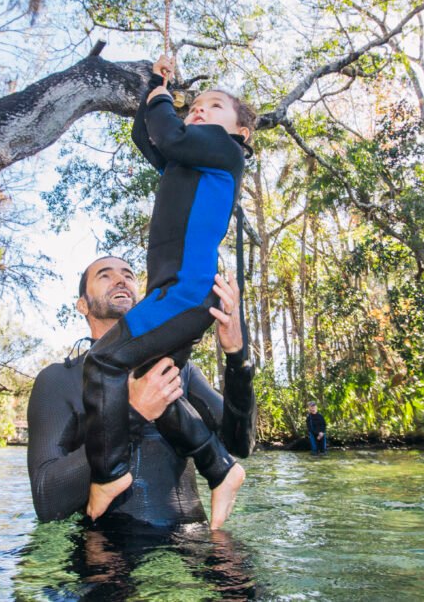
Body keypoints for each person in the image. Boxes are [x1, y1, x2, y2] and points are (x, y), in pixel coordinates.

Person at [82, 55, 257, 528]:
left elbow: (168, 133)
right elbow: (149, 135)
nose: (197, 110)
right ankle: (220, 469)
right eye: (193, 105)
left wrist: (164, 99)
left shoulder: (225, 151)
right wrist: (156, 86)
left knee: (101, 361)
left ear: (239, 132)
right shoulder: (190, 162)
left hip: (185, 292)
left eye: (212, 106)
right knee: (154, 377)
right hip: (179, 294)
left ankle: (110, 473)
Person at [26, 256, 256, 529]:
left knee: (235, 572)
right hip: (106, 551)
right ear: (82, 305)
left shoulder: (179, 370)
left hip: (192, 540)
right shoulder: (58, 379)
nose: (121, 279)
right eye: (105, 275)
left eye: (128, 274)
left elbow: (240, 444)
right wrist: (133, 413)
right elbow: (46, 500)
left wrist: (236, 356)